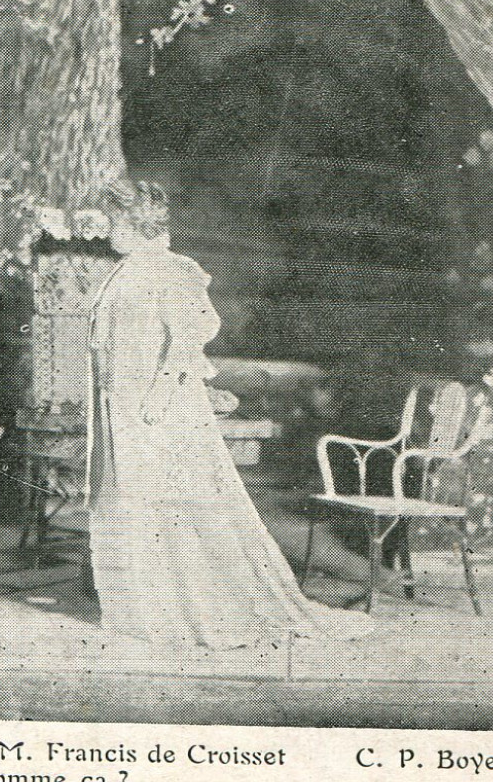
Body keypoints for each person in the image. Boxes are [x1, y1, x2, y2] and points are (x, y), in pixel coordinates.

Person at [86, 179, 371, 649]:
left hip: (154, 411)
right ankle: (147, 606)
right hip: (124, 407)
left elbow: (183, 343)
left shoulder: (171, 271)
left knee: (176, 505)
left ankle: (194, 608)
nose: (105, 232)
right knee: (135, 502)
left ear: (135, 223)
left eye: (112, 222)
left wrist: (156, 403)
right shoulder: (129, 271)